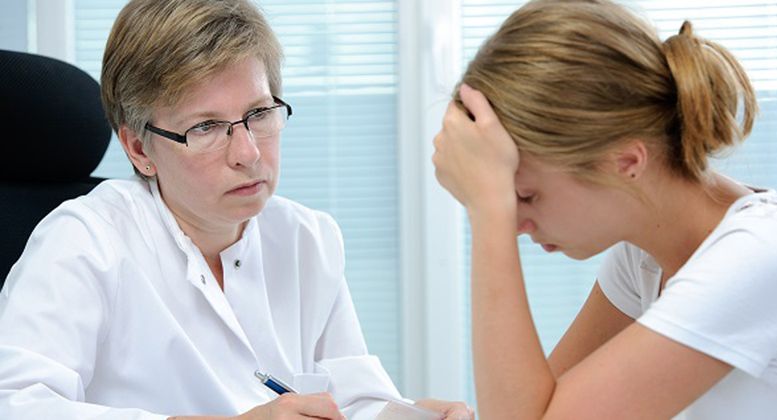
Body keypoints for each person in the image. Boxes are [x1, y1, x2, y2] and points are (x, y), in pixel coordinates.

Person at [0, 1, 473, 419]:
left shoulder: (306, 238)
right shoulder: (84, 241)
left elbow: (346, 399)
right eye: (206, 126)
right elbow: (16, 403)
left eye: (260, 114)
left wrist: (410, 414)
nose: (247, 152)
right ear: (139, 147)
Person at [432, 0, 777, 419]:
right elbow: (536, 409)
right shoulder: (643, 257)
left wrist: (488, 209)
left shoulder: (760, 256)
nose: (516, 225)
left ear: (626, 161)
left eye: (527, 196)